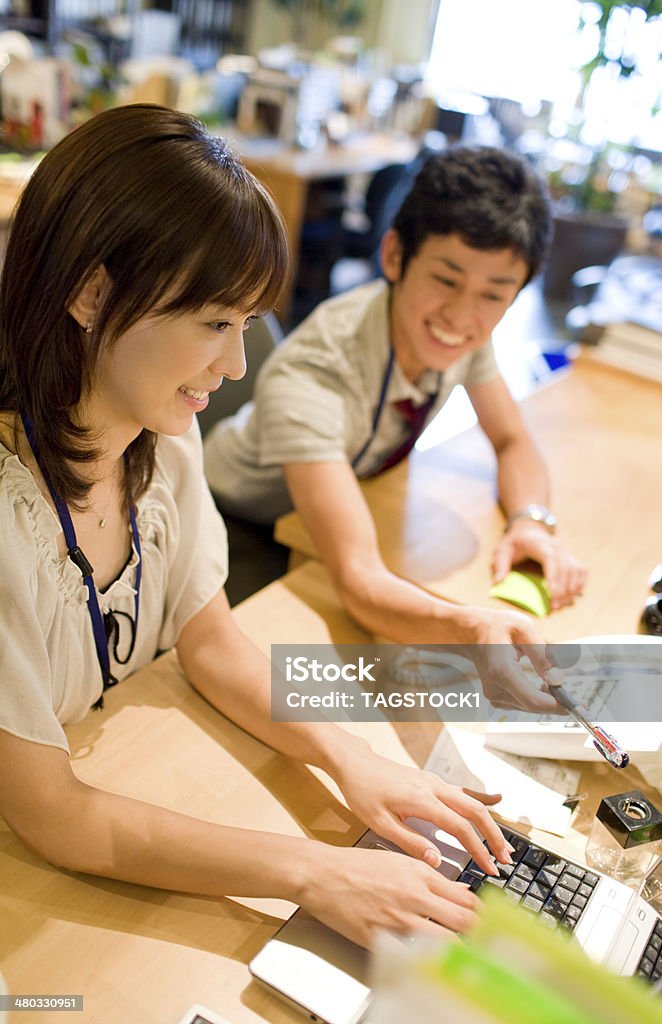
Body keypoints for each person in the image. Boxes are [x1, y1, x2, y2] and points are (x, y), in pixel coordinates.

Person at [0, 103, 528, 952]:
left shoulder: (160, 442)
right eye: (215, 323)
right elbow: (53, 818)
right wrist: (314, 870)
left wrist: (351, 762)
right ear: (91, 293)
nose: (236, 365)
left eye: (244, 326)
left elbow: (210, 644)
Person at [204, 145, 586, 710]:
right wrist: (471, 630)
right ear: (393, 255)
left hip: (326, 514)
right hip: (237, 523)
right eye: (446, 279)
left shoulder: (462, 340)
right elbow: (359, 579)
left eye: (493, 295)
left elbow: (512, 440)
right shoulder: (317, 370)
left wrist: (531, 523)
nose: (461, 315)